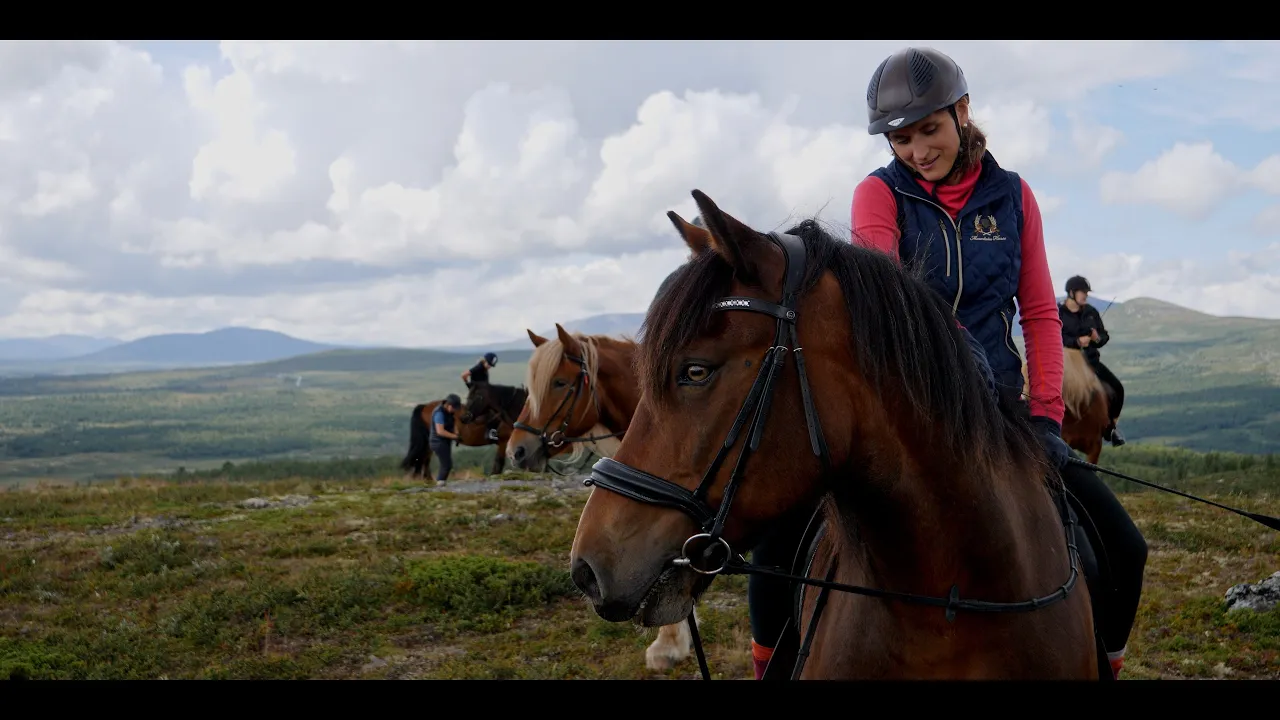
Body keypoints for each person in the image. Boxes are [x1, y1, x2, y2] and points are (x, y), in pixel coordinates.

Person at [745, 46, 1147, 681]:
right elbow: (893, 304)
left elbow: (1039, 312)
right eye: (900, 138)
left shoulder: (1014, 197)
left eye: (928, 130)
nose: (916, 151)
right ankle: (771, 668)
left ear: (962, 112)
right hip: (905, 413)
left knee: (1123, 550)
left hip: (1001, 417)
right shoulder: (878, 194)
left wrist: (1043, 419)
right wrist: (958, 361)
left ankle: (1102, 666)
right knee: (777, 547)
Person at [1059, 275, 1125, 447]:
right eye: (1083, 292)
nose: (1086, 296)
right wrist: (1076, 342)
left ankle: (1111, 428)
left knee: (1117, 388)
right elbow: (1054, 337)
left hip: (1090, 363)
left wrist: (1097, 338)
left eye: (1087, 293)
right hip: (1066, 364)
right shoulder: (1058, 313)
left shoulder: (1091, 312)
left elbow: (1103, 336)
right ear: (1072, 292)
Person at [461, 352, 501, 441]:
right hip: (479, 395)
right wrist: (470, 385)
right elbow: (464, 375)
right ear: (485, 361)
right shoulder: (479, 367)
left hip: (483, 393)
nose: (490, 367)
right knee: (493, 411)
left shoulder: (483, 368)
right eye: (489, 364)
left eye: (491, 365)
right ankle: (489, 432)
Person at [430, 393, 463, 484]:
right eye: (454, 408)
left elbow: (453, 422)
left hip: (445, 441)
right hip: (438, 442)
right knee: (446, 465)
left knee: (446, 464)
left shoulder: (449, 412)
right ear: (448, 405)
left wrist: (456, 431)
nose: (455, 410)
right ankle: (440, 484)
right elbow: (440, 431)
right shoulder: (439, 413)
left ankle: (441, 482)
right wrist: (455, 437)